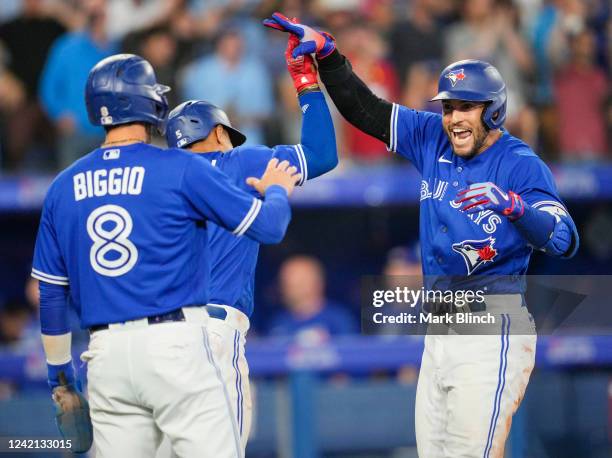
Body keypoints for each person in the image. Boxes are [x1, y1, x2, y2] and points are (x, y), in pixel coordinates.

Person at [264, 12, 579, 458]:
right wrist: (331, 55)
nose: (454, 118)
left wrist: (516, 207)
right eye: (449, 107)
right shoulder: (432, 136)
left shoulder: (520, 162)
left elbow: (565, 239)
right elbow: (365, 110)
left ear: (494, 110)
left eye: (467, 107)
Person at [31, 53, 300, 457]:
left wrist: (60, 379)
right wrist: (277, 188)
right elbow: (269, 227)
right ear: (147, 103)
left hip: (104, 358)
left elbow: (51, 295)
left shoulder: (62, 186)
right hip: (175, 346)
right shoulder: (178, 166)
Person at [162, 34, 337, 453]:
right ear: (219, 133)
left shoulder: (159, 179)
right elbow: (322, 154)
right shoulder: (242, 160)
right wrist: (307, 83)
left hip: (157, 340)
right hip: (215, 334)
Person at [268, 255, 358, 340]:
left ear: (316, 283)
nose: (288, 288)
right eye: (285, 282)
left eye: (297, 283)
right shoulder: (278, 322)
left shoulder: (338, 320)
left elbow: (352, 353)